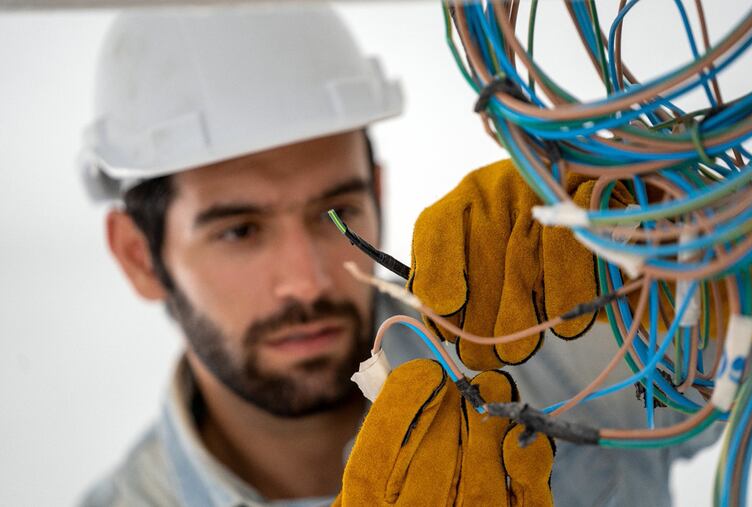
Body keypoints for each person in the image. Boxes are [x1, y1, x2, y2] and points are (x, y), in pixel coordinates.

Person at [78, 4, 717, 507]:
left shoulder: (551, 342)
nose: (308, 280)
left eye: (339, 211)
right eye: (240, 231)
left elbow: (742, 359)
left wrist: (680, 246)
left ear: (377, 194)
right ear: (139, 256)